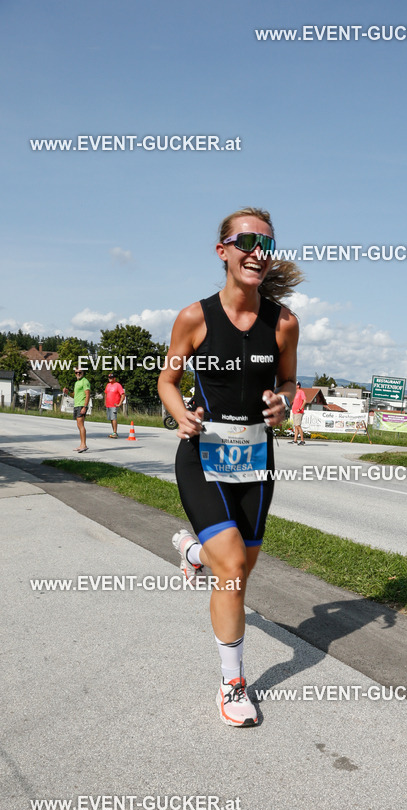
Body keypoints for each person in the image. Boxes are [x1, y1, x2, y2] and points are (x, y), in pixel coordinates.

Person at [158, 207, 302, 727]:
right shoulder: (194, 318)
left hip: (256, 458)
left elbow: (289, 382)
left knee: (237, 571)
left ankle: (193, 553)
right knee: (234, 568)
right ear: (223, 251)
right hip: (203, 454)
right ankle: (232, 684)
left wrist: (284, 403)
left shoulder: (283, 323)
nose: (257, 251)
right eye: (245, 241)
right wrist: (180, 416)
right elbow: (167, 381)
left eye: (266, 243)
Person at [63, 367, 90, 452]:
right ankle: (82, 444)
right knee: (79, 425)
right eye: (76, 372)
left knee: (81, 425)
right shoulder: (77, 382)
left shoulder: (85, 381)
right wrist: (67, 393)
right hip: (77, 405)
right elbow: (74, 395)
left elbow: (88, 394)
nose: (78, 374)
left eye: (80, 372)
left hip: (81, 405)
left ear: (83, 373)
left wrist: (84, 407)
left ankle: (84, 445)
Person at [104, 372, 126, 437]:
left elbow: (123, 395)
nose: (110, 379)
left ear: (114, 378)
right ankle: (113, 431)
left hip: (114, 404)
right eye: (109, 378)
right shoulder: (108, 385)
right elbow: (106, 393)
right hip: (108, 404)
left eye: (111, 378)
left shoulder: (118, 385)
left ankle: (115, 432)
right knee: (111, 418)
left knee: (114, 418)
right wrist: (105, 402)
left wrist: (120, 403)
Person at [291, 380, 306, 444]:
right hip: (294, 411)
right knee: (295, 426)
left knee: (298, 426)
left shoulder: (301, 392)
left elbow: (304, 401)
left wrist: (300, 408)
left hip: (299, 412)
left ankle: (302, 440)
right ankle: (295, 440)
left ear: (298, 386)